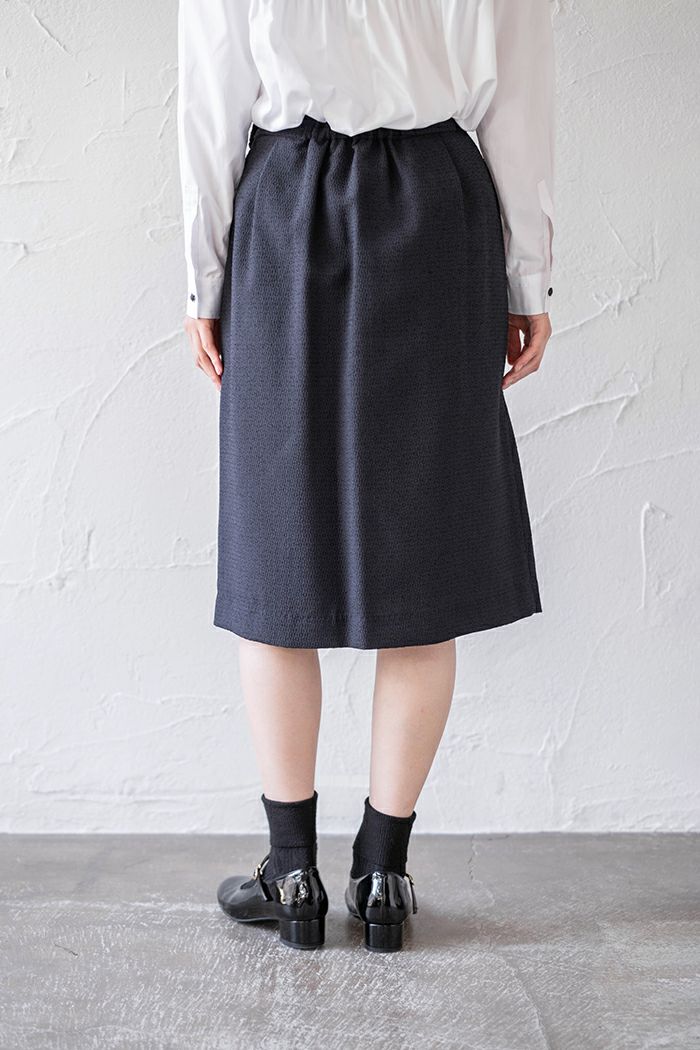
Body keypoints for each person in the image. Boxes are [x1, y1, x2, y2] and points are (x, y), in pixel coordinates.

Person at [177, 0, 555, 953]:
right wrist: (528, 276)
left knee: (277, 551)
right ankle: (383, 874)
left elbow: (212, 97)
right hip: (438, 208)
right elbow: (520, 98)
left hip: (287, 204)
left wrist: (203, 280)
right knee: (421, 559)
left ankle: (293, 872)